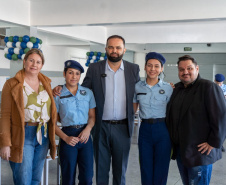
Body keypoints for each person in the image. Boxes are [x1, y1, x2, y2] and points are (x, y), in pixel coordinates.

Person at [53, 35, 140, 185]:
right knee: (101, 169)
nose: (114, 51)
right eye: (111, 47)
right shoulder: (95, 68)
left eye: (118, 47)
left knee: (120, 171)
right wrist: (62, 87)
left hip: (123, 127)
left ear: (124, 50)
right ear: (106, 49)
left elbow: (139, 93)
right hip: (101, 127)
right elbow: (82, 91)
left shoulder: (133, 69)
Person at [166, 55, 226, 185]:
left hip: (200, 152)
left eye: (189, 68)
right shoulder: (177, 89)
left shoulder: (208, 87)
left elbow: (221, 117)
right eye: (181, 69)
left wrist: (213, 142)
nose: (185, 72)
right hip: (182, 150)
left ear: (197, 68)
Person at [0, 48, 57, 185]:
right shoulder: (12, 84)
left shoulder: (46, 84)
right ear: (24, 61)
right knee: (23, 179)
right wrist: (5, 143)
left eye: (38, 62)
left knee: (36, 179)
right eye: (31, 60)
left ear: (41, 65)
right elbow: (5, 114)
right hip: (22, 134)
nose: (34, 64)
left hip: (42, 135)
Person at [133, 52, 172, 185]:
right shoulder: (137, 87)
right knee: (145, 166)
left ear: (161, 69)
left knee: (161, 167)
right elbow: (133, 109)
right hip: (144, 129)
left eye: (156, 66)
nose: (152, 69)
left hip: (163, 129)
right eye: (149, 65)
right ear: (145, 67)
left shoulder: (168, 88)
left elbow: (173, 111)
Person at [54, 60, 96, 185]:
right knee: (68, 177)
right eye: (70, 73)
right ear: (64, 74)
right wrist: (65, 138)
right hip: (68, 136)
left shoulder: (88, 93)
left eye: (77, 74)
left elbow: (92, 117)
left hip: (85, 137)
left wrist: (87, 130)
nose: (74, 77)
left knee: (87, 177)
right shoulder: (57, 94)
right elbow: (52, 123)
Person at [214, 73, 226, 152]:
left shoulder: (225, 87)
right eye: (217, 83)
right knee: (215, 128)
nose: (219, 85)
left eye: (220, 83)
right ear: (215, 81)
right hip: (214, 111)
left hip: (223, 111)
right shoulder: (211, 86)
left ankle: (220, 144)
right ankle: (216, 143)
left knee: (223, 129)